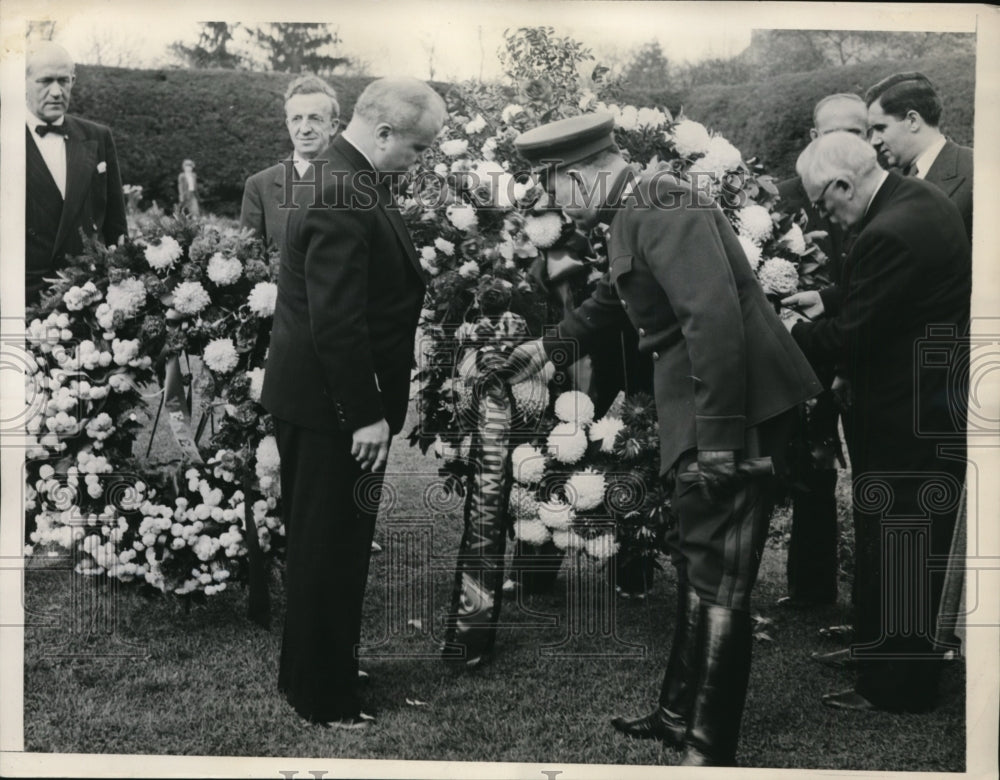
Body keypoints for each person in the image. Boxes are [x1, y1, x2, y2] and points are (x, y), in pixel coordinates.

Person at [505, 113, 822, 766]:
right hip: (705, 399)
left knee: (722, 574)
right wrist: (548, 346)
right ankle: (678, 715)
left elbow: (714, 321)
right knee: (700, 558)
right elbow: (617, 302)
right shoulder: (637, 206)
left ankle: (708, 747)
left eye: (552, 184)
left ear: (583, 174)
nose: (551, 200)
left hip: (737, 405)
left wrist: (720, 440)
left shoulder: (659, 202)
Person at [261, 77, 447, 729]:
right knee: (327, 547)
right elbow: (335, 323)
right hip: (328, 408)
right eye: (419, 149)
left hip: (323, 400)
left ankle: (318, 667)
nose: (419, 161)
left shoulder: (351, 176)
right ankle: (322, 694)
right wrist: (365, 413)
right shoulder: (344, 186)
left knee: (332, 543)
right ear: (387, 134)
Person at [782, 132, 969, 713]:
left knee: (903, 542)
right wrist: (831, 297)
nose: (823, 213)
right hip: (926, 403)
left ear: (843, 184)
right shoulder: (916, 199)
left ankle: (897, 689)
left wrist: (792, 332)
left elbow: (854, 340)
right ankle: (882, 659)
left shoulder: (887, 231)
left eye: (822, 201)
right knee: (900, 539)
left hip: (909, 410)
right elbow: (897, 293)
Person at [775, 93, 869, 611]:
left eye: (857, 133)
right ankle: (809, 589)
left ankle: (863, 601)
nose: (846, 143)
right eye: (836, 133)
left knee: (856, 473)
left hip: (855, 352)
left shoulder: (875, 193)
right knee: (804, 468)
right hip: (797, 354)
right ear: (814, 137)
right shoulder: (782, 200)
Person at [25, 42, 127, 304]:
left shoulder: (97, 137)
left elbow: (116, 226)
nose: (57, 91)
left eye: (64, 81)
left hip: (87, 297)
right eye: (45, 81)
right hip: (23, 299)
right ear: (23, 81)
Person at [865, 71, 973, 238]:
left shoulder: (976, 170)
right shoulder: (891, 184)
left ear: (913, 121)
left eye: (880, 128)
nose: (874, 141)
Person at [240, 74, 340, 251]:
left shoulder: (358, 181)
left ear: (333, 126)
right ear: (288, 124)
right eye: (296, 119)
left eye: (314, 118)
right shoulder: (259, 186)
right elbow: (250, 260)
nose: (304, 129)